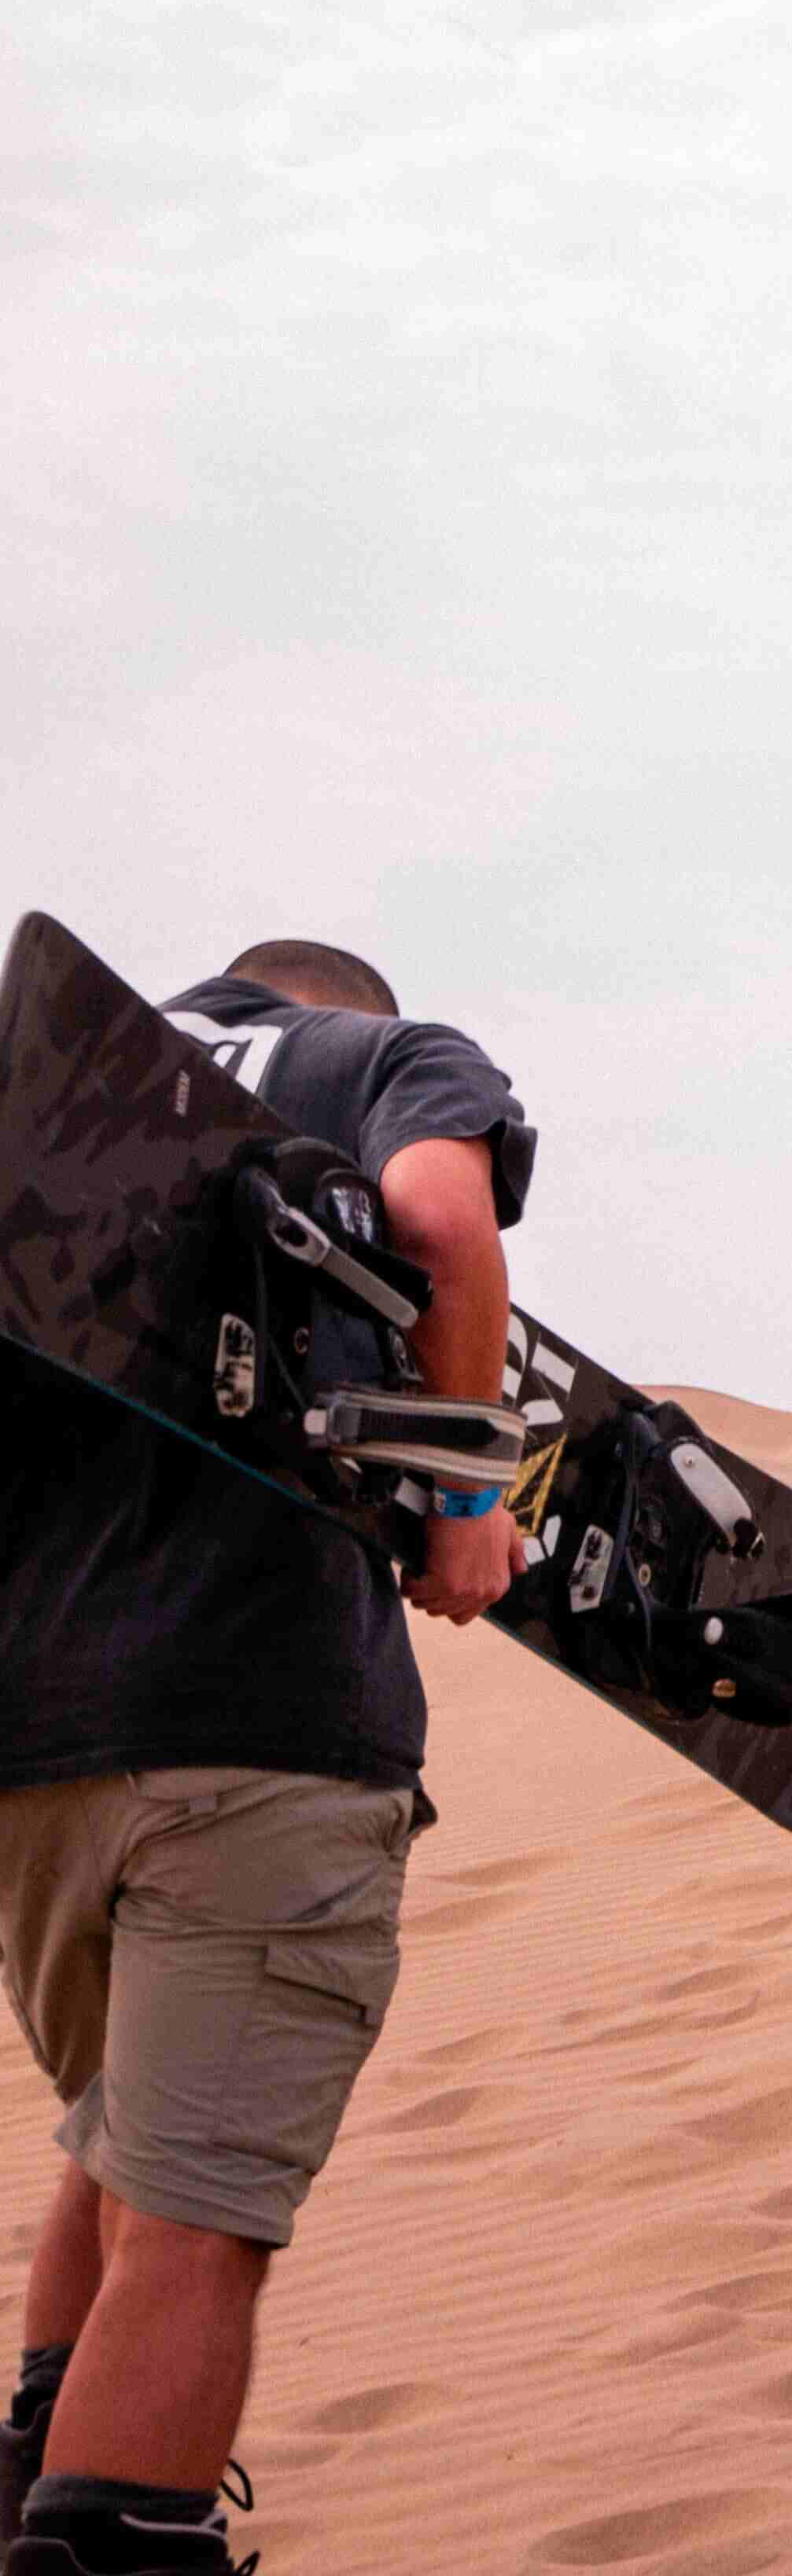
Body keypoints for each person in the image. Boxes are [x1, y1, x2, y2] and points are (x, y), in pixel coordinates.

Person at [2, 939, 532, 2576]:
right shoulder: (375, 1061)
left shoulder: (46, 1096)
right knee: (202, 2222)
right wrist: (464, 1493)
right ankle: (116, 2539)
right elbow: (440, 1222)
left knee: (124, 2135)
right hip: (256, 1724)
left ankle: (38, 2462)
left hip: (30, 1755)